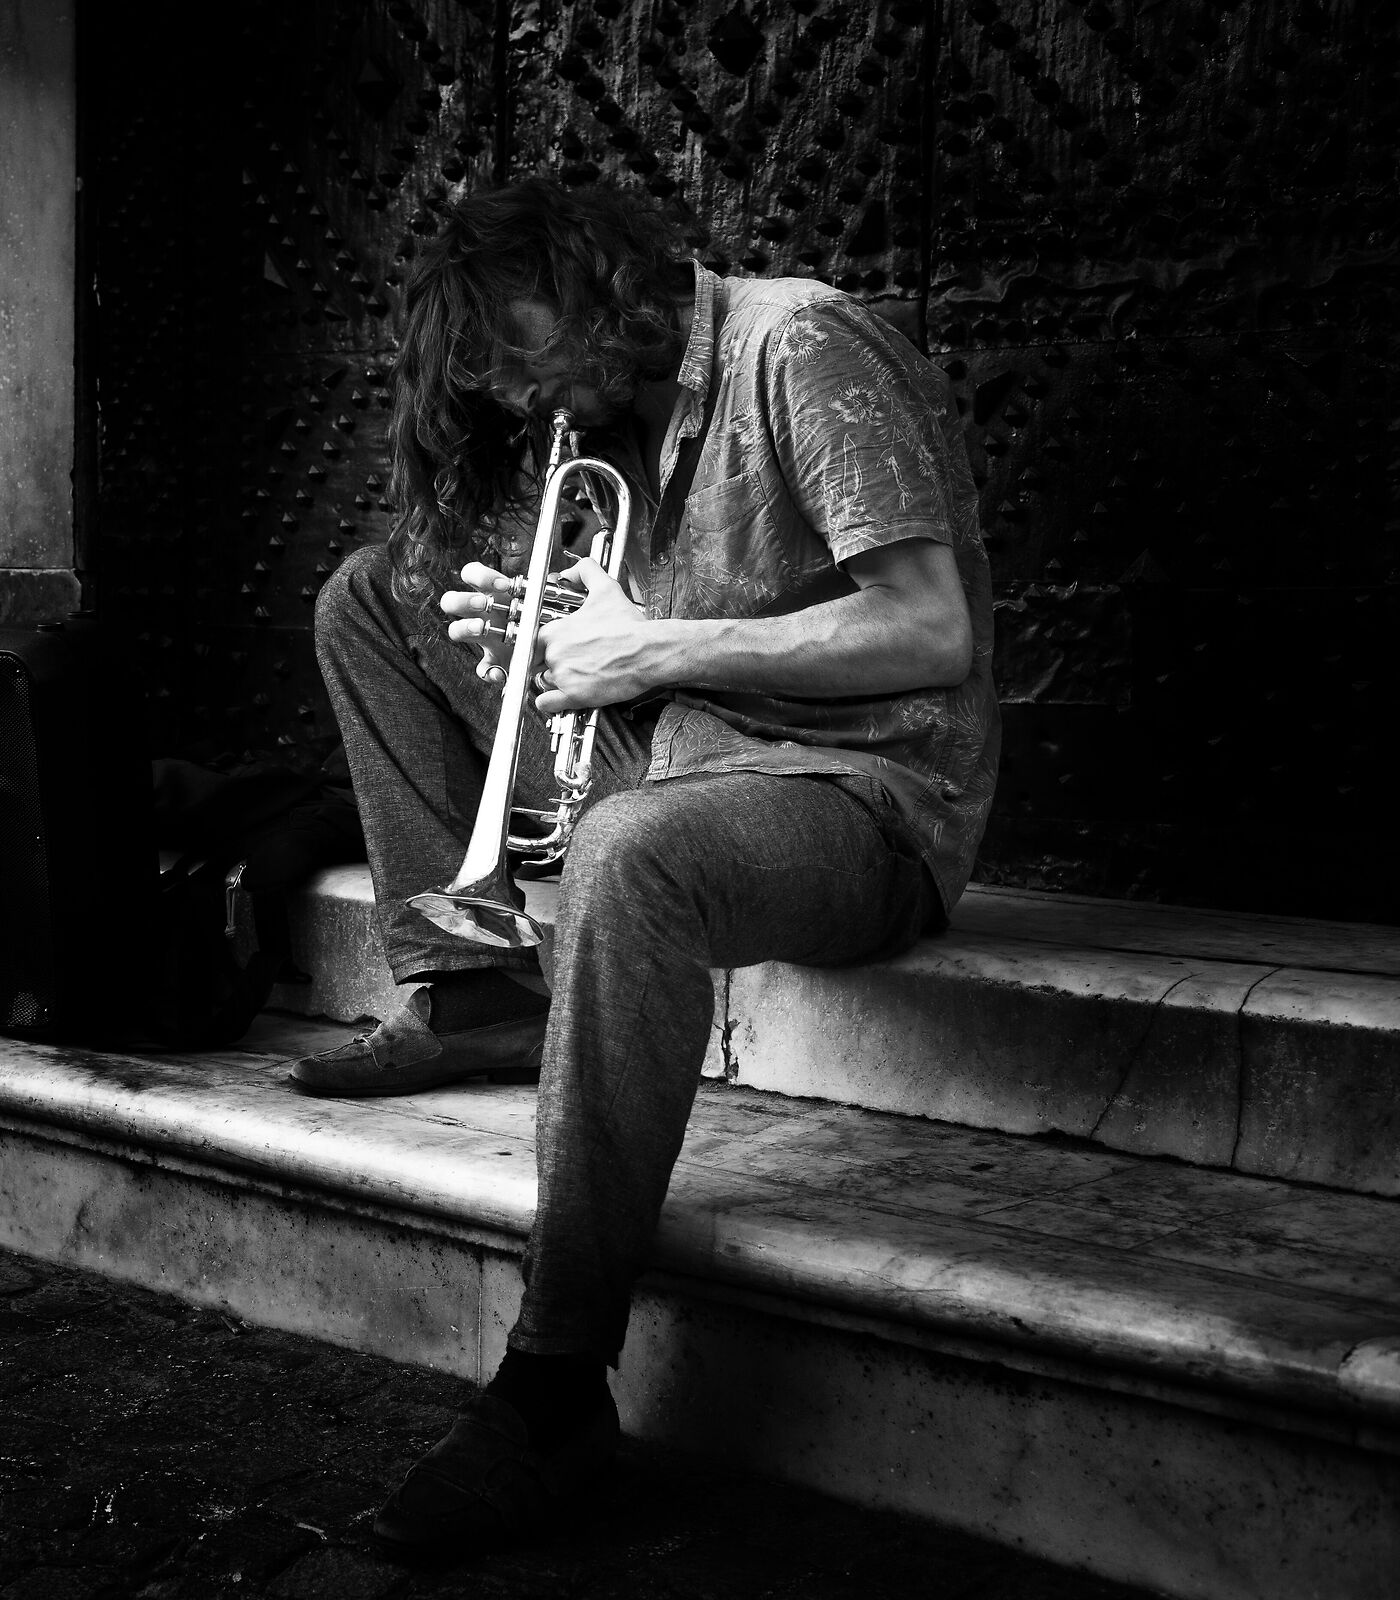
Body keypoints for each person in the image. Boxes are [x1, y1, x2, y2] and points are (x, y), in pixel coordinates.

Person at [287, 177, 1000, 1554]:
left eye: (507, 339)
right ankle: (477, 988)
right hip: (681, 753)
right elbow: (669, 640)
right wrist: (560, 639)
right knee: (369, 597)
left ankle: (555, 1384)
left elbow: (927, 632)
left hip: (862, 796)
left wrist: (651, 651)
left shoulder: (799, 345)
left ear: (592, 274)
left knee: (627, 850)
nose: (500, 387)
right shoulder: (609, 421)